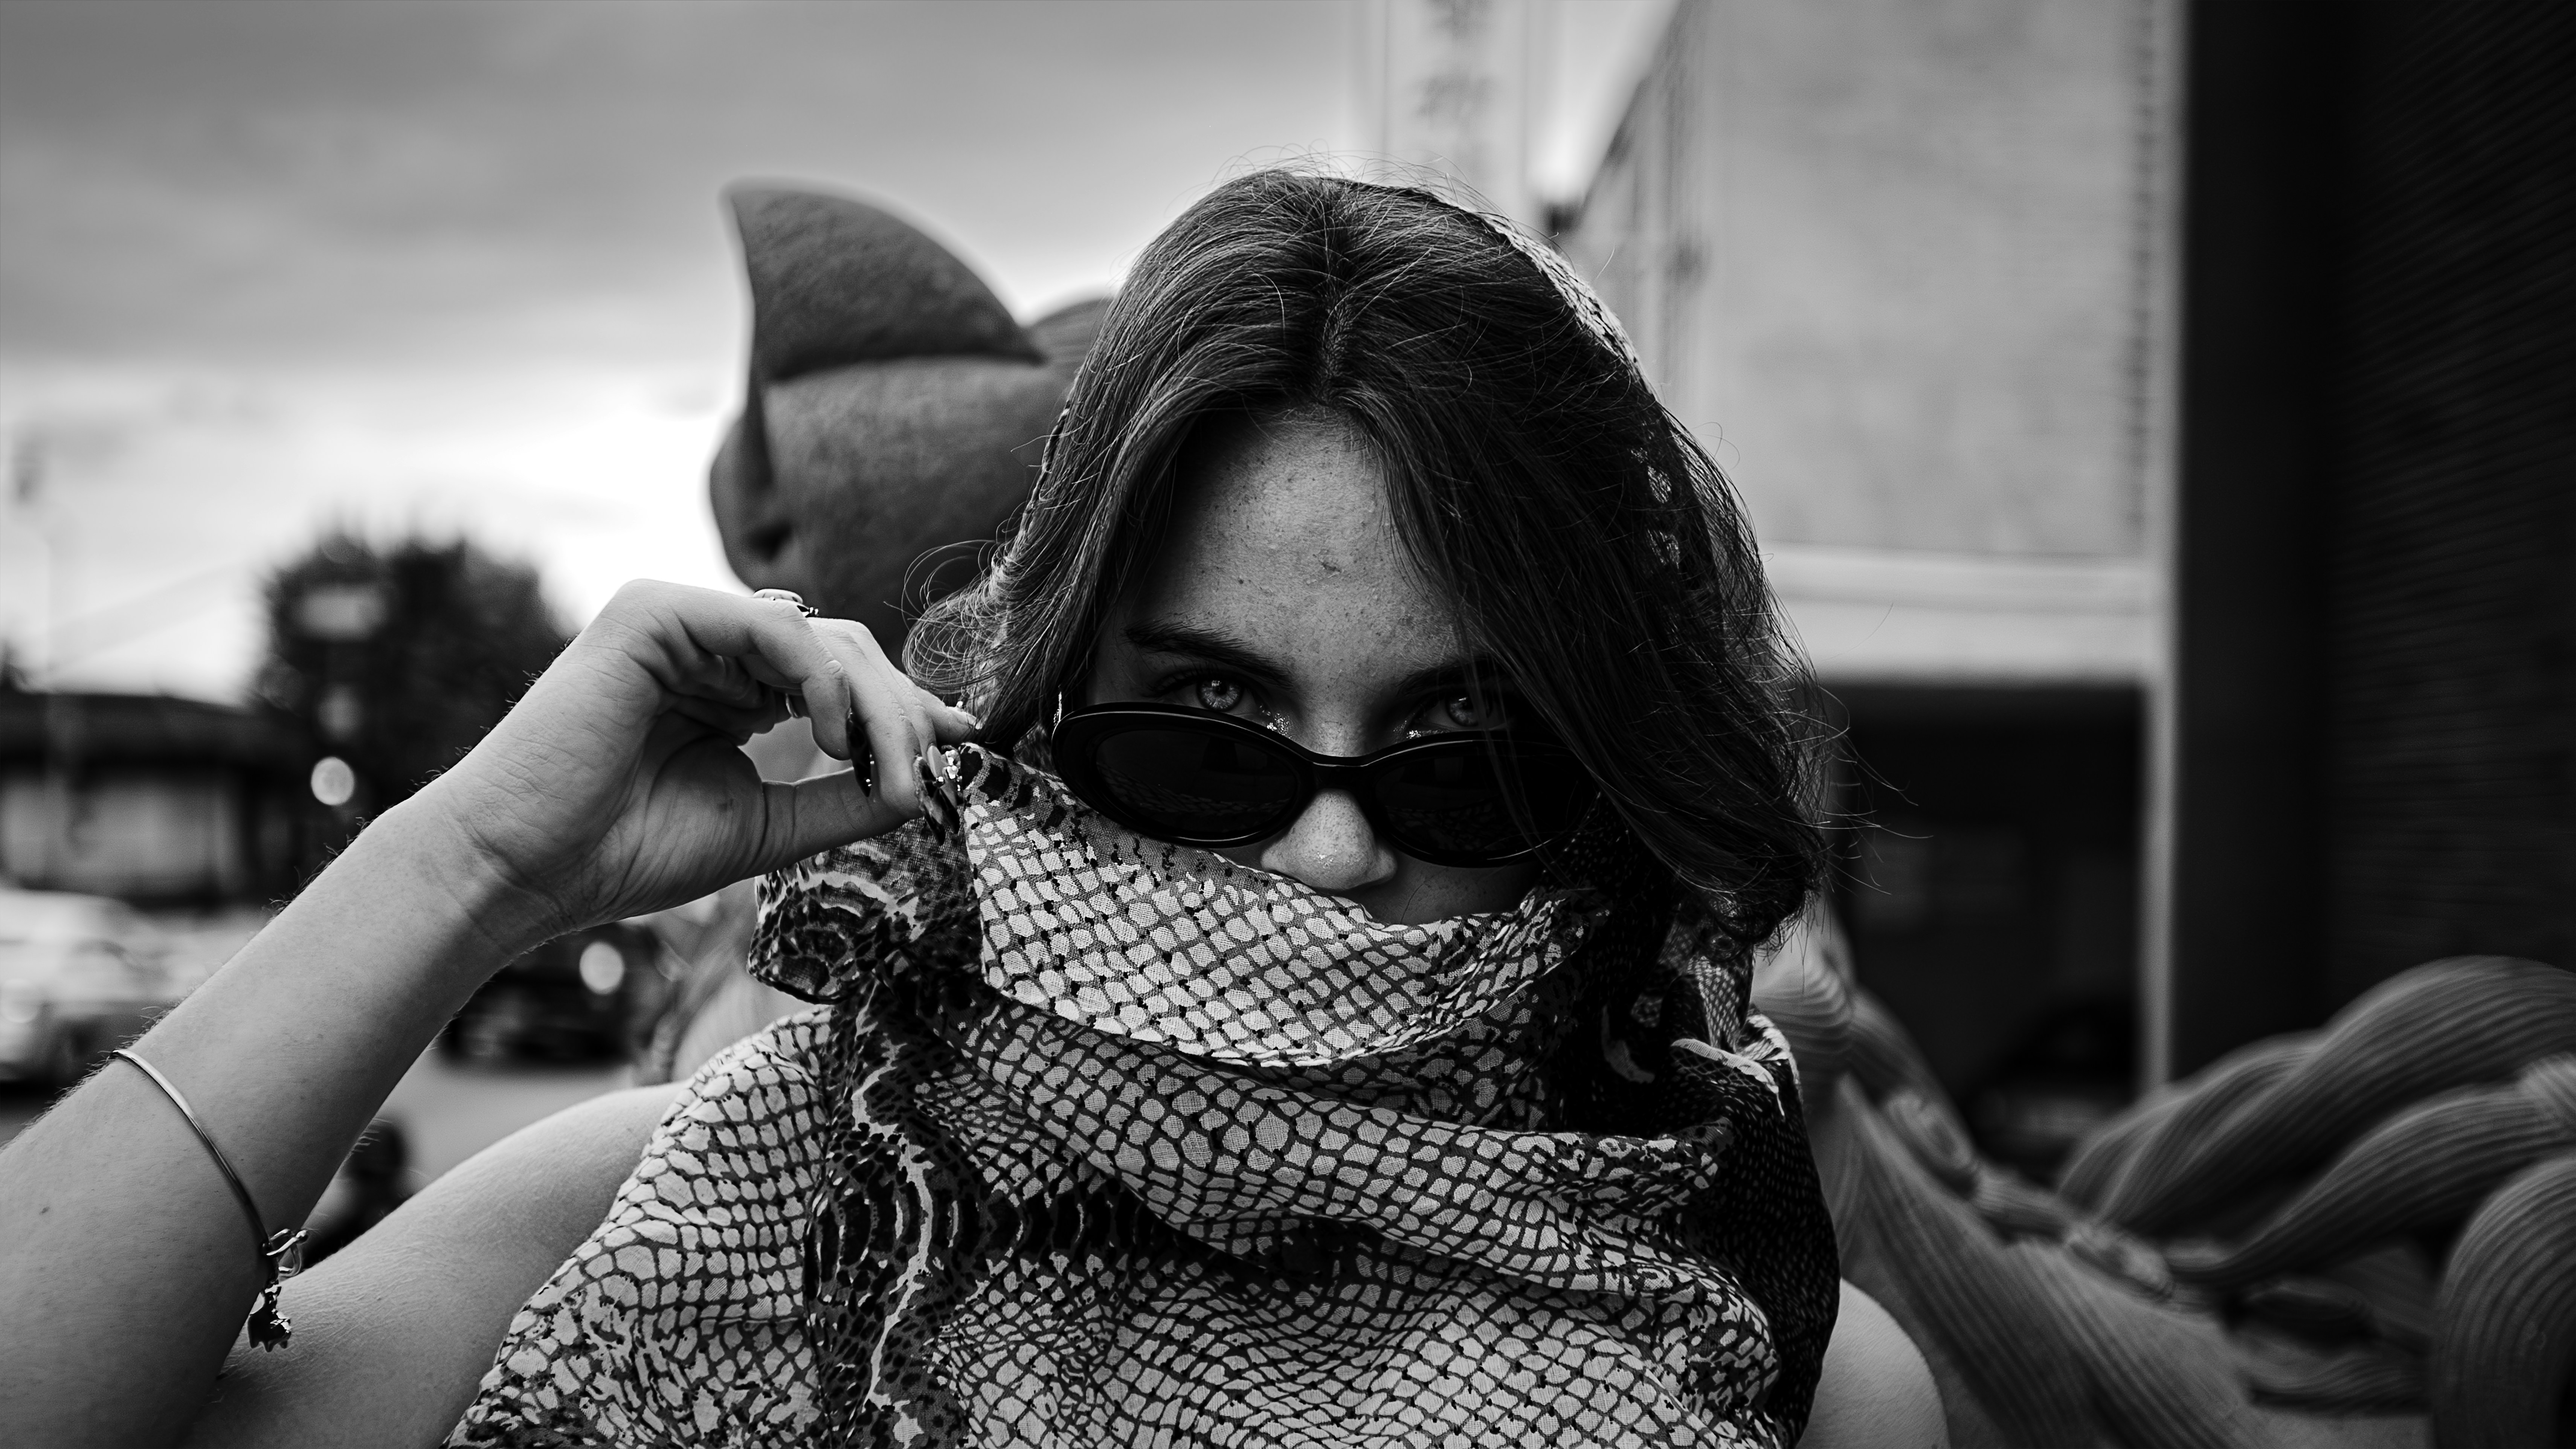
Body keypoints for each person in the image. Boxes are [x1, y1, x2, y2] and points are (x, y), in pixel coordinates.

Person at [0, 169, 1940, 1448]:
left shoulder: (1780, 1369)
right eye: (1210, 736)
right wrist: (474, 860)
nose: (1334, 852)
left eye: (1470, 755)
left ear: (1598, 791)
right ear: (1041, 722)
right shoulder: (676, 1211)